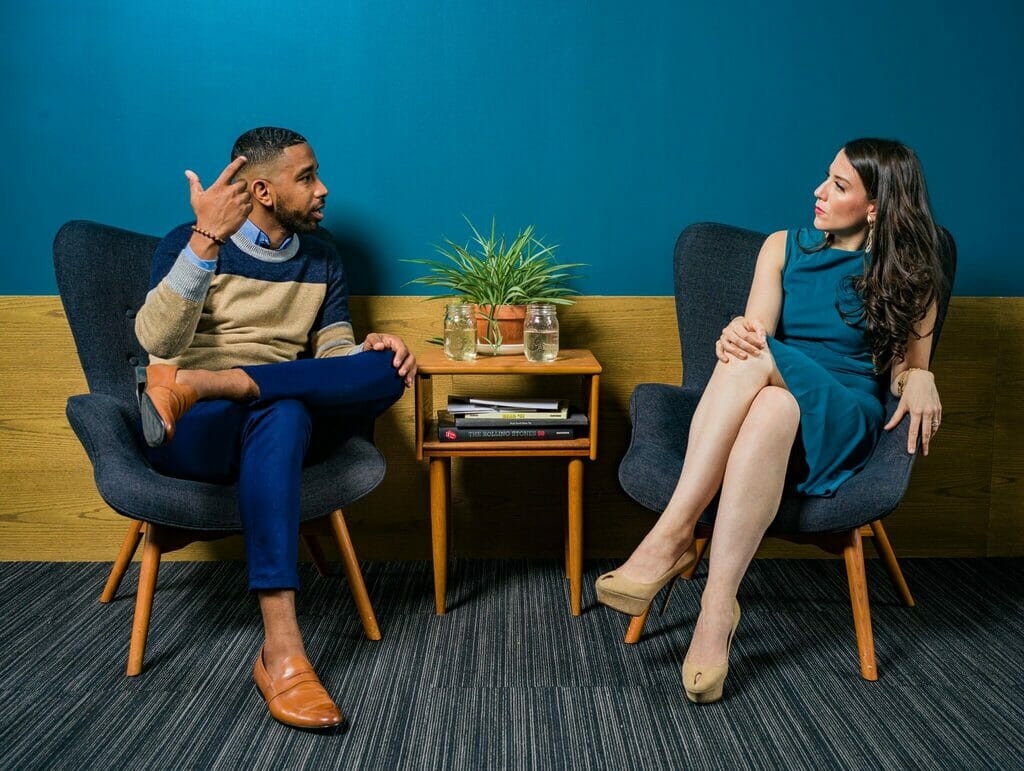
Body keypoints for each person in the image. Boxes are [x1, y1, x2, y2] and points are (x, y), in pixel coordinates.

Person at [595, 138, 945, 704]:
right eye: (824, 177)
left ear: (875, 206)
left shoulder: (912, 275)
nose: (818, 191)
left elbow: (906, 373)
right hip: (777, 406)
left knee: (759, 358)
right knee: (768, 391)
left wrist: (920, 377)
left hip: (845, 413)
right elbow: (752, 335)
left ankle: (672, 532)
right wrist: (734, 333)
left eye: (837, 184)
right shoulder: (782, 248)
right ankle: (716, 610)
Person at [134, 127, 417, 730]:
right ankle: (283, 648)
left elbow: (332, 344)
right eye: (308, 177)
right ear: (262, 189)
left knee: (387, 371)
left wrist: (365, 352)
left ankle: (215, 382)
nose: (323, 189)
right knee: (285, 408)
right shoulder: (189, 243)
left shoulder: (323, 255)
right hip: (190, 429)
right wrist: (206, 242)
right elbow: (157, 343)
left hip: (258, 414)